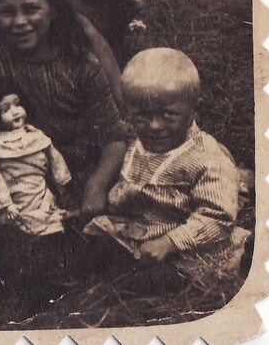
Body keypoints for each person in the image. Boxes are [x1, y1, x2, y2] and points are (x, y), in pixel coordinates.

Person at [0, 0, 131, 217]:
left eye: (31, 9)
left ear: (53, 10)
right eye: (7, 12)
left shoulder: (80, 63)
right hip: (9, 177)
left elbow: (114, 138)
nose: (20, 22)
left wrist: (97, 186)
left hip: (72, 175)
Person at [83, 48, 250, 283]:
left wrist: (170, 242)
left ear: (194, 110)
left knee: (156, 280)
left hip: (187, 241)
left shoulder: (206, 157)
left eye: (169, 115)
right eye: (141, 115)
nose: (154, 126)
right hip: (142, 229)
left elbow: (217, 216)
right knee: (89, 245)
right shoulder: (138, 142)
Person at [0, 92, 74, 236]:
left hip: (41, 195)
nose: (15, 112)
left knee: (51, 219)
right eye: (5, 110)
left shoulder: (35, 136)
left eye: (17, 104)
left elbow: (55, 159)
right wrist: (6, 205)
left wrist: (62, 187)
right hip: (14, 203)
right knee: (15, 229)